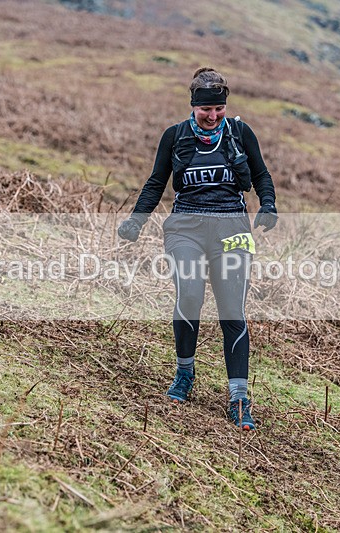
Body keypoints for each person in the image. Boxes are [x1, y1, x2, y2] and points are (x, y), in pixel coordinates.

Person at [117, 67, 278, 430]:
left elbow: (262, 174)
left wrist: (268, 205)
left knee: (231, 309)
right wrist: (136, 220)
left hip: (232, 228)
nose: (213, 116)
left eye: (219, 109)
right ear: (193, 105)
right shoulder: (175, 136)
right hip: (185, 228)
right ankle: (184, 373)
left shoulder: (239, 132)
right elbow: (157, 181)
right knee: (189, 295)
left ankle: (239, 398)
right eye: (206, 109)